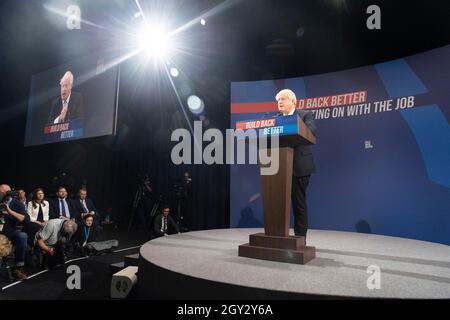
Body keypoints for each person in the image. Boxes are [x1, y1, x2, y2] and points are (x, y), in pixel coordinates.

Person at [276, 89, 317, 240]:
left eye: (283, 99)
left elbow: (311, 131)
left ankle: (300, 239)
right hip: (279, 167)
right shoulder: (275, 118)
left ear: (292, 101)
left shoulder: (305, 114)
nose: (279, 102)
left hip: (299, 167)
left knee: (298, 203)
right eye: (278, 100)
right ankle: (279, 236)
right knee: (279, 204)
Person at [0, 184, 30, 280]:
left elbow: (26, 220)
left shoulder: (16, 203)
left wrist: (10, 212)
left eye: (1, 193)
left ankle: (18, 267)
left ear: (7, 194)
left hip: (9, 232)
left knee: (22, 236)